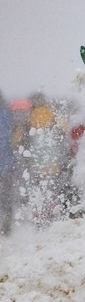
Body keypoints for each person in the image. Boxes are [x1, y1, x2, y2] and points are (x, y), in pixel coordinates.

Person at [0, 91, 15, 236]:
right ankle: (6, 226)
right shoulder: (7, 115)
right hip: (6, 164)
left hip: (5, 162)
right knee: (6, 197)